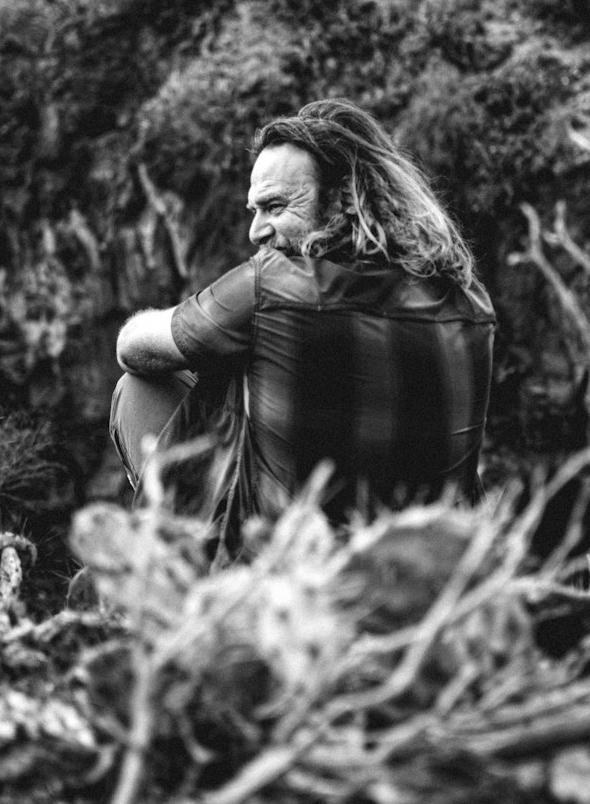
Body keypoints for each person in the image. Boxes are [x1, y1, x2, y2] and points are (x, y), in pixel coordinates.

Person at [110, 99, 495, 544]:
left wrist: (214, 350)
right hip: (433, 576)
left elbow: (131, 345)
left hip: (287, 583)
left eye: (274, 207)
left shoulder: (272, 286)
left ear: (346, 198)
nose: (256, 230)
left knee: (139, 387)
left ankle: (173, 562)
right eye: (254, 211)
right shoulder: (467, 298)